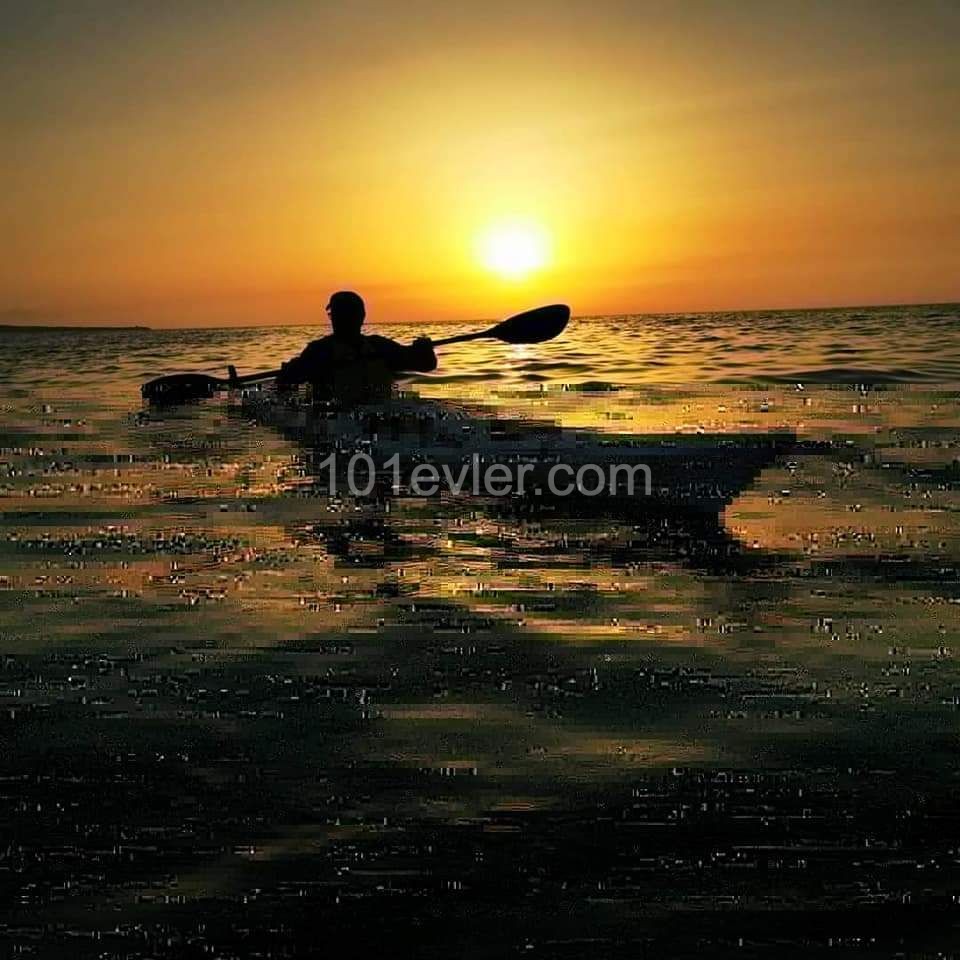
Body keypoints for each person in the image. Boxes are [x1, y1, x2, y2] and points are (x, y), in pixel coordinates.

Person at [276, 291, 437, 402]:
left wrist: (424, 349)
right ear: (362, 316)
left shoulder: (319, 351)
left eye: (336, 314)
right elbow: (426, 364)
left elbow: (426, 364)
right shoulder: (379, 347)